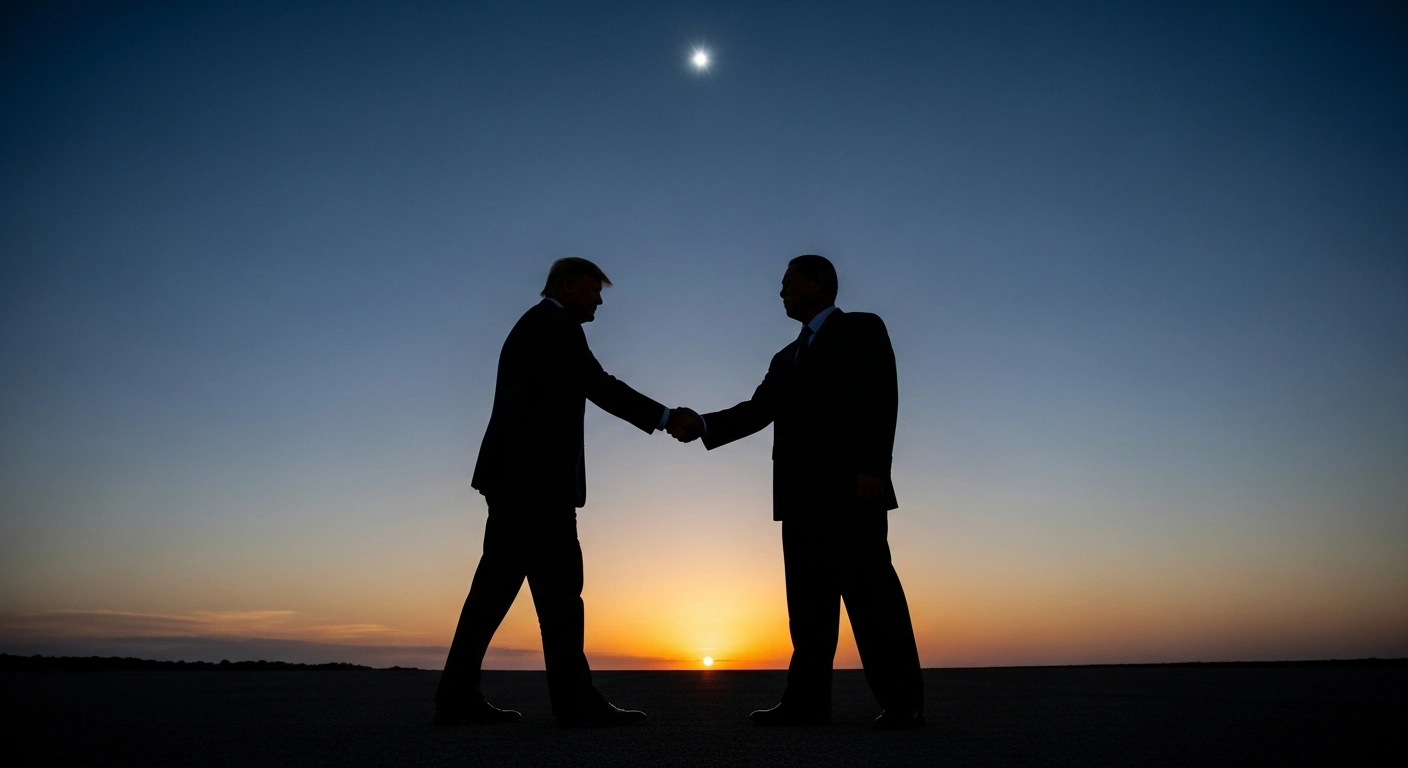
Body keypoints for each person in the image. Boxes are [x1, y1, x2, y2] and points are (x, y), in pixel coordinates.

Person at [435, 257, 701, 726]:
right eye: (594, 289)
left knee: (512, 593)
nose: (599, 299)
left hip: (519, 484)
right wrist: (665, 417)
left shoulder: (537, 326)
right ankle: (570, 703)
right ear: (567, 285)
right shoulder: (555, 327)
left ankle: (465, 695)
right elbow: (599, 385)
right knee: (550, 595)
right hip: (534, 488)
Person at [669, 254, 924, 729]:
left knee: (872, 601)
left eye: (788, 282)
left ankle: (903, 703)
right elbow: (755, 410)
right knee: (808, 609)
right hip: (800, 500)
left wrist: (873, 468)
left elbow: (881, 396)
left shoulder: (863, 328)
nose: (781, 291)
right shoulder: (784, 358)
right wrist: (701, 424)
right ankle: (806, 703)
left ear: (817, 282)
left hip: (852, 492)